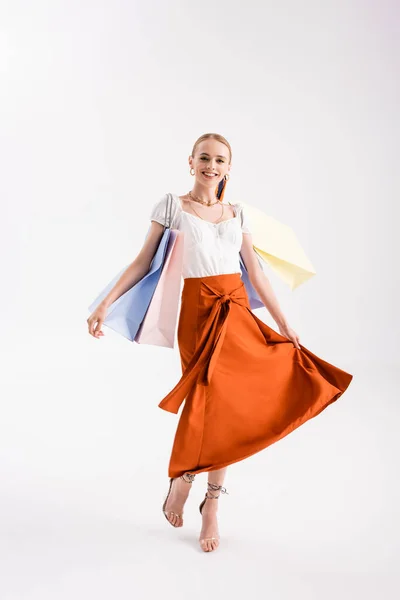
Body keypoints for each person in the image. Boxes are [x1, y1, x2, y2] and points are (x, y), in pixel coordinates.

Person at [87, 132, 353, 553]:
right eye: (205, 158)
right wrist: (105, 304)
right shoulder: (173, 206)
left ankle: (210, 502)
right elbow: (142, 261)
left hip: (237, 311)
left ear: (229, 168)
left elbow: (256, 272)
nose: (212, 166)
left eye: (221, 160)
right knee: (206, 400)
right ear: (190, 162)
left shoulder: (237, 212)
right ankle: (184, 477)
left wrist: (285, 323)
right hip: (196, 313)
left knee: (230, 403)